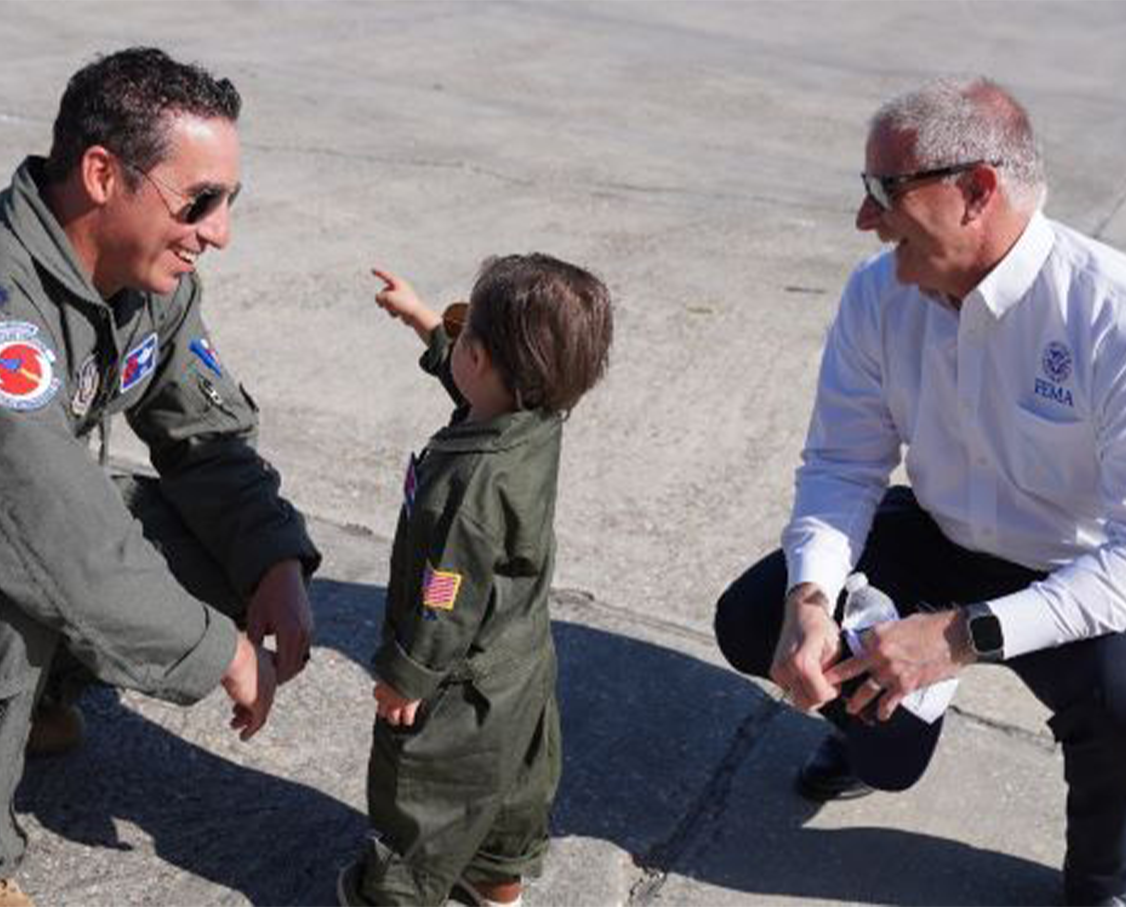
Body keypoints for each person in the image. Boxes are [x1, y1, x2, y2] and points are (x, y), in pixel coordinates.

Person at [714, 75, 1126, 906]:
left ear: (976, 191)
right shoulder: (877, 293)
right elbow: (842, 464)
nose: (865, 218)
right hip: (939, 531)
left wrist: (960, 637)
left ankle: (1102, 881)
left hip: (1070, 567)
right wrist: (811, 598)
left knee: (1125, 702)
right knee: (752, 616)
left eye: (884, 190)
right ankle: (887, 728)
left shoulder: (1107, 315)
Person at [0, 47, 320, 907]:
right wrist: (220, 655)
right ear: (102, 174)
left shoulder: (149, 279)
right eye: (199, 202)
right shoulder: (5, 306)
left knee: (202, 542)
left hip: (32, 517)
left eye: (228, 203)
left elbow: (209, 438)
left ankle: (36, 706)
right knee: (17, 584)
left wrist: (273, 565)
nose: (218, 232)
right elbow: (56, 530)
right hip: (17, 523)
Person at [336, 255, 613, 907]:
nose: (453, 342)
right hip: (520, 662)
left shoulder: (472, 487)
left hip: (461, 679)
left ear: (482, 359)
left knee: (425, 786)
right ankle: (496, 879)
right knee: (514, 780)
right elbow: (475, 385)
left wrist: (408, 673)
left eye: (463, 335)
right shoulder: (535, 419)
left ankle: (397, 893)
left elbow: (445, 596)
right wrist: (427, 323)